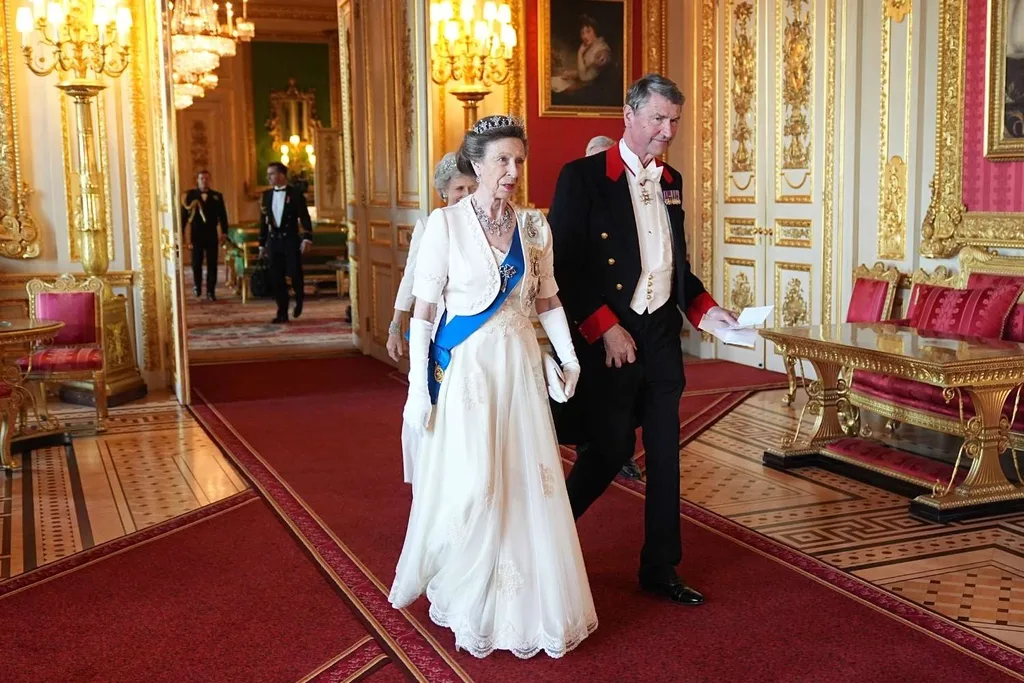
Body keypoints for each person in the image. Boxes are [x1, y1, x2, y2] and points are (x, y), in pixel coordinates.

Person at [389, 115, 597, 659]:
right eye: (502, 160)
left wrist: (569, 358)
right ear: (475, 164)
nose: (512, 171)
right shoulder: (446, 226)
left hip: (521, 371)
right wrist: (417, 390)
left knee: (525, 483)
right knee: (476, 481)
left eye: (519, 161)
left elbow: (547, 299)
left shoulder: (534, 228)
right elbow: (426, 313)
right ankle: (467, 593)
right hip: (470, 375)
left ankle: (524, 608)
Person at [548, 74, 737, 606]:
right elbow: (565, 267)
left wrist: (708, 312)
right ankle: (546, 536)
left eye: (674, 120)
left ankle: (660, 566)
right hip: (611, 333)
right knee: (607, 450)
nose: (666, 130)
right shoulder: (582, 178)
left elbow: (675, 267)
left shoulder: (670, 179)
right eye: (657, 118)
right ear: (628, 115)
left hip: (658, 335)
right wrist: (604, 327)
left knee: (665, 454)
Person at [386, 153, 477, 361]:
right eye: (459, 189)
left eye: (472, 189)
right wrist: (395, 326)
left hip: (478, 323)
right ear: (444, 191)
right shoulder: (428, 226)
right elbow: (410, 278)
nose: (466, 195)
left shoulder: (486, 228)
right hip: (442, 324)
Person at [259, 162, 313, 324]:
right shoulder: (266, 195)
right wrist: (262, 244)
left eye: (272, 174)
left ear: (281, 175)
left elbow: (304, 217)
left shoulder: (295, 194)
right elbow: (263, 221)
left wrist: (307, 237)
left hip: (290, 240)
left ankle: (299, 299)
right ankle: (282, 311)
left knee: (295, 273)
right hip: (273, 241)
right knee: (276, 277)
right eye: (268, 174)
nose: (268, 177)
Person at [181, 170, 229, 301]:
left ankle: (210, 291)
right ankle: (197, 285)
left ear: (210, 180)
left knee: (212, 263)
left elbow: (223, 216)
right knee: (196, 263)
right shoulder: (190, 196)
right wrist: (181, 233)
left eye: (207, 178)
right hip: (196, 234)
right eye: (201, 178)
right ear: (197, 180)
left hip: (211, 234)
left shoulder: (217, 196)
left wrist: (224, 232)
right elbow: (184, 216)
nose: (204, 181)